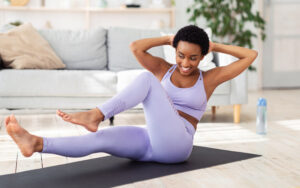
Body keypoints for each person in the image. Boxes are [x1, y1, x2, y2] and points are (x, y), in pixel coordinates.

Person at [5, 25, 257, 164]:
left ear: (202, 57)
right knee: (100, 139)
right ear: (175, 52)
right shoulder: (164, 69)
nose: (186, 63)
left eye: (194, 57)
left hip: (178, 145)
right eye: (181, 55)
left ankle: (96, 114)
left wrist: (214, 46)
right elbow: (135, 47)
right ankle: (36, 144)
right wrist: (169, 39)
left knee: (146, 80)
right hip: (151, 142)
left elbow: (250, 55)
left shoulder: (208, 78)